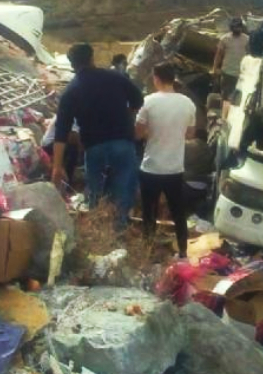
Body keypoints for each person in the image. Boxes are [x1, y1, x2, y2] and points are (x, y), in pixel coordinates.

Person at [53, 43, 144, 225]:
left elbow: (61, 131)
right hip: (122, 143)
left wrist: (57, 165)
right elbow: (138, 99)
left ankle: (99, 231)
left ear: (72, 64)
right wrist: (127, 117)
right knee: (124, 190)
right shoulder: (116, 78)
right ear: (92, 57)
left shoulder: (70, 91)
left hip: (94, 148)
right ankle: (120, 231)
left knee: (96, 193)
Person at [135, 62, 197, 258]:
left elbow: (138, 133)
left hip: (151, 167)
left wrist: (152, 133)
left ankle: (147, 252)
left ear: (157, 78)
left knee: (149, 213)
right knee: (178, 212)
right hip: (174, 168)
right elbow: (190, 134)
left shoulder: (149, 101)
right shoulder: (188, 103)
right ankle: (184, 253)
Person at [212, 17, 249, 101]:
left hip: (241, 74)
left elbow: (249, 56)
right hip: (227, 73)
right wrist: (214, 68)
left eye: (239, 27)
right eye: (235, 27)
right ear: (231, 27)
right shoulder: (225, 39)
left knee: (239, 99)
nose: (237, 29)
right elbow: (218, 55)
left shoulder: (247, 39)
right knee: (225, 98)